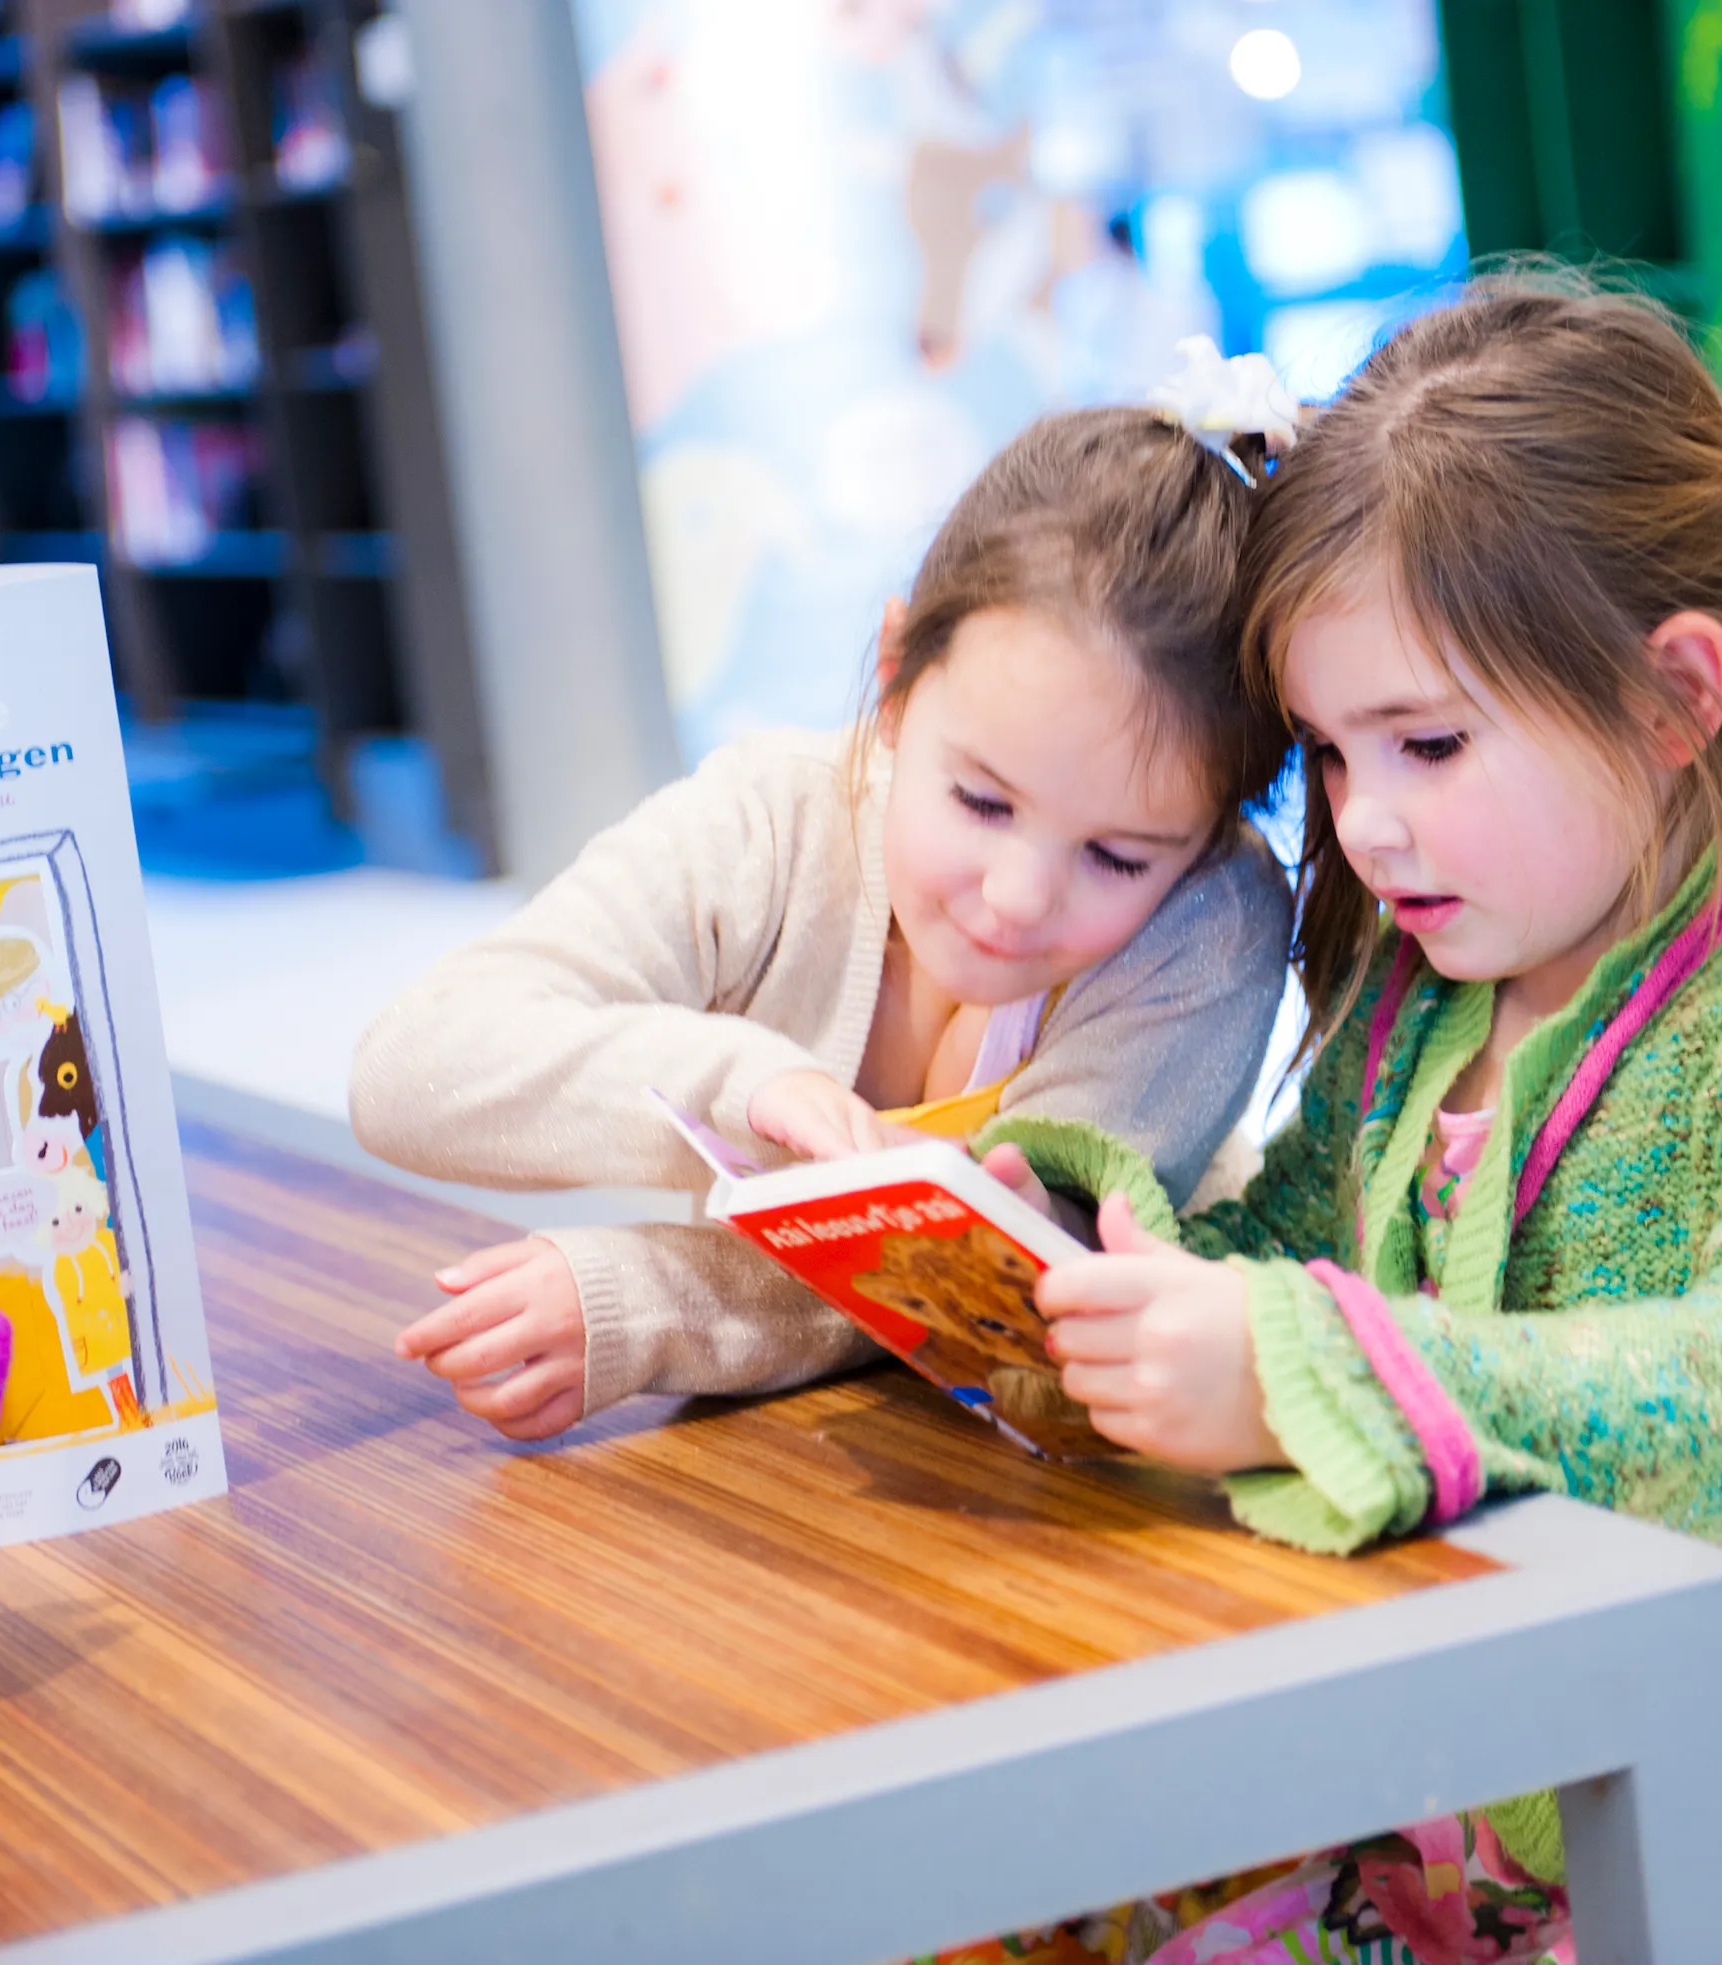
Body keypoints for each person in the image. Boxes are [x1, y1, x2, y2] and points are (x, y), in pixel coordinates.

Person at [969, 280, 1722, 1964]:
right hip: (1478, 1864)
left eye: (1427, 744)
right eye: (1323, 755)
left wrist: (1315, 1364)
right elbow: (1291, 1256)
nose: (1365, 827)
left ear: (1673, 695)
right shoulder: (1427, 984)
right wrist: (1089, 1257)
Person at [350, 401, 1294, 1444]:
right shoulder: (772, 819)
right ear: (892, 680)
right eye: (981, 802)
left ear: (1208, 835)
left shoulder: (1211, 919)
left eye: (1117, 857)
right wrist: (748, 1084)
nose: (1018, 896)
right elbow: (411, 1068)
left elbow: (1006, 1272)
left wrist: (654, 1298)